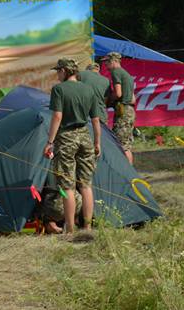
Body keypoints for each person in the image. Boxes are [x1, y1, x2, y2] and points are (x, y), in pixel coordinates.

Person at [43, 58, 101, 234]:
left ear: (64, 71)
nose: (57, 75)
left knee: (67, 186)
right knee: (85, 185)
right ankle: (88, 226)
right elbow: (96, 119)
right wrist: (97, 141)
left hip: (67, 137)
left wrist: (50, 142)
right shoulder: (88, 89)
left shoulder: (59, 89)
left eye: (58, 71)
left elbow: (57, 116)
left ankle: (70, 228)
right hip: (85, 136)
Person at [104, 52, 137, 165]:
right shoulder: (127, 75)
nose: (105, 65)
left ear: (113, 61)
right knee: (126, 143)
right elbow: (133, 98)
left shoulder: (116, 72)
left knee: (120, 143)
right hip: (130, 110)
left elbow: (118, 93)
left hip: (123, 110)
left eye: (106, 62)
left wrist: (107, 101)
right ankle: (130, 170)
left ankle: (127, 172)